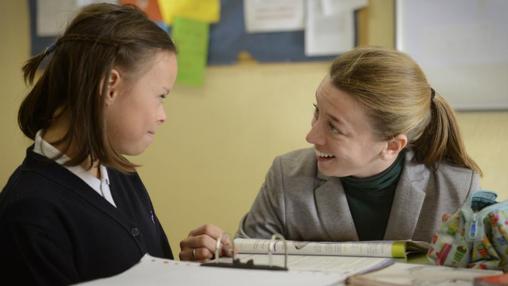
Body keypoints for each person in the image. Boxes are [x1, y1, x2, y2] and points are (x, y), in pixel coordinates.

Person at [0, 3, 221, 285]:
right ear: (110, 86)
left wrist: (187, 269)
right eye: (161, 96)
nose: (163, 116)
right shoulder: (30, 216)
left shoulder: (120, 174)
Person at [232, 47, 482, 243]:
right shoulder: (286, 176)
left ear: (392, 145)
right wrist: (214, 254)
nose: (311, 136)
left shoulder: (456, 191)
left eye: (334, 127)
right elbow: (245, 261)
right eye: (317, 112)